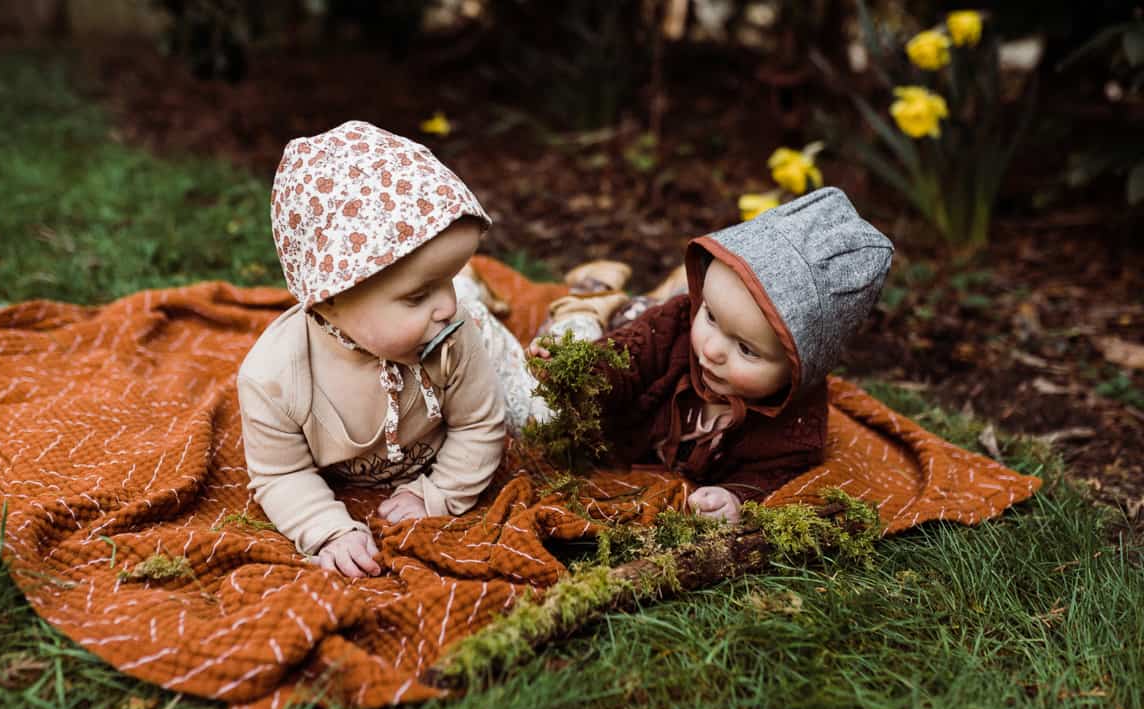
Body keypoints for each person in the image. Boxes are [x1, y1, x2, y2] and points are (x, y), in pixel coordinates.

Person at [238, 121, 540, 579]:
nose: (445, 306)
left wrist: (438, 492)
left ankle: (582, 312)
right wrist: (328, 529)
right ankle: (474, 282)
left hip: (485, 338)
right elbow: (280, 475)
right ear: (330, 299)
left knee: (540, 418)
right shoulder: (273, 379)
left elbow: (480, 422)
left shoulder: (454, 333)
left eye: (450, 279)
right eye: (418, 295)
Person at [530, 187, 893, 522]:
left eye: (747, 349)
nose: (712, 350)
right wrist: (576, 371)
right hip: (633, 321)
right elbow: (626, 358)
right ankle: (598, 289)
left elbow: (771, 473)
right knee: (580, 320)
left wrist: (734, 497)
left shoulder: (795, 426)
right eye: (712, 315)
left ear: (798, 371)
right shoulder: (674, 326)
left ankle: (621, 287)